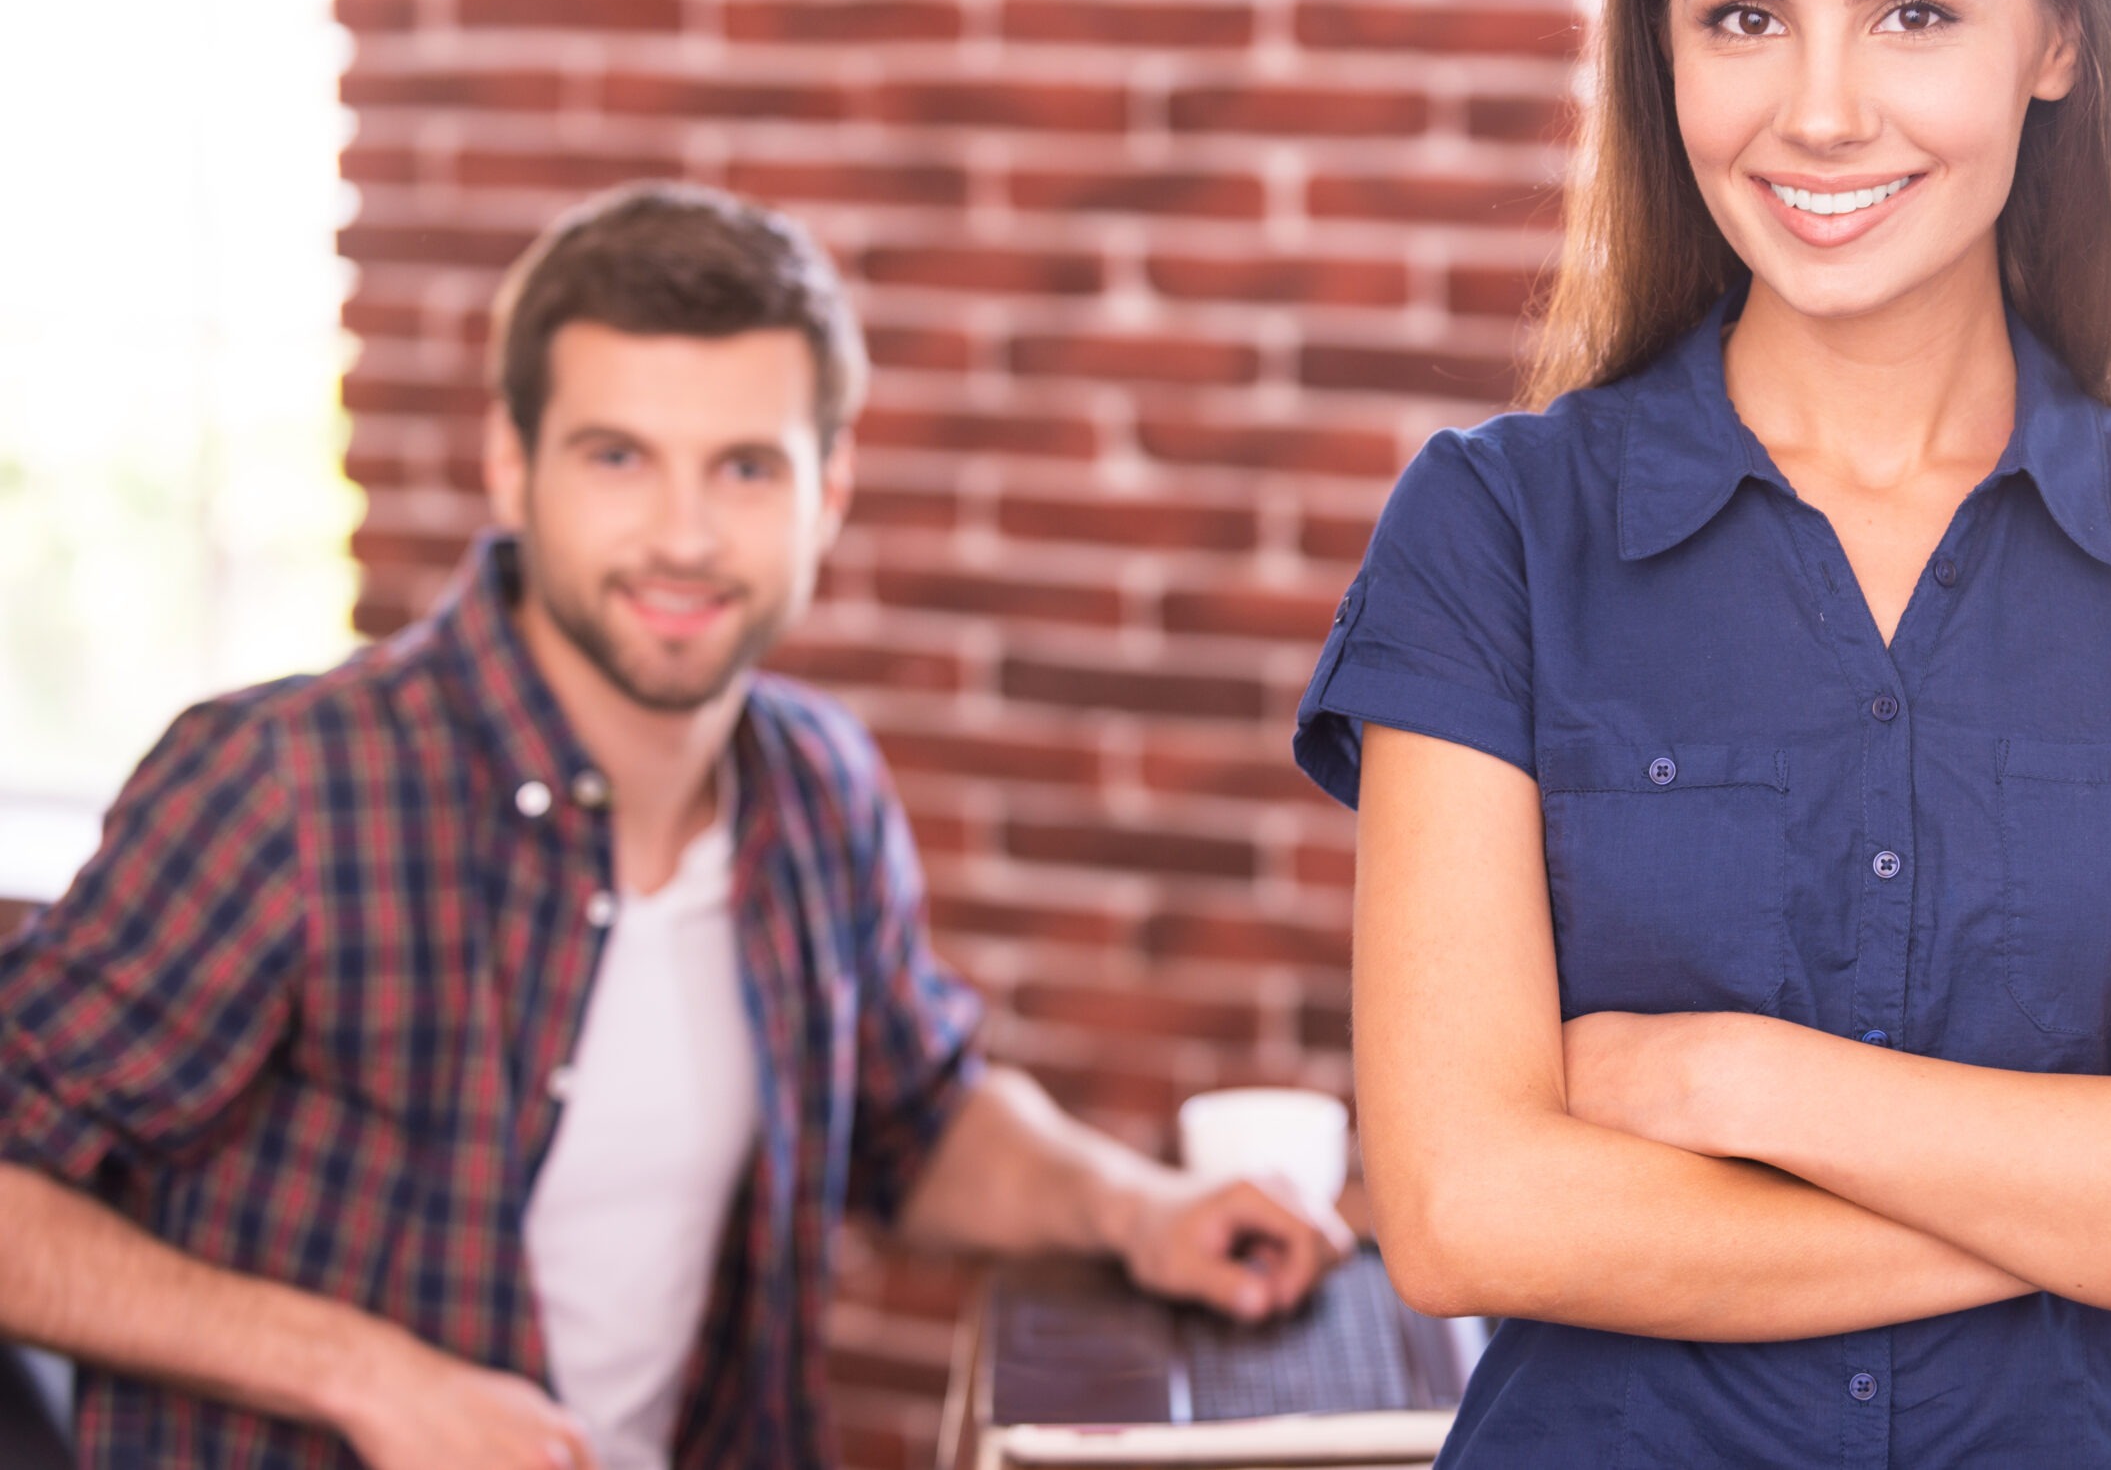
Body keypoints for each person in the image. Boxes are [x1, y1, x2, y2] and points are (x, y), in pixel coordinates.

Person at [1293, 0, 2111, 1464]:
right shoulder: (1497, 529)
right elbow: (1462, 1211)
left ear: (2056, 37)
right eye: (1744, 17)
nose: (1819, 112)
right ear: (1660, 46)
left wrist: (1734, 1082)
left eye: (1912, 13)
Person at [0, 182, 1351, 1470]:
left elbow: (920, 1119)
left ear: (829, 492)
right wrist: (363, 1370)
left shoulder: (818, 787)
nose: (685, 535)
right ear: (511, 465)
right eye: (618, 457)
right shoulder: (286, 786)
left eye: (747, 467)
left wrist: (1139, 1207)